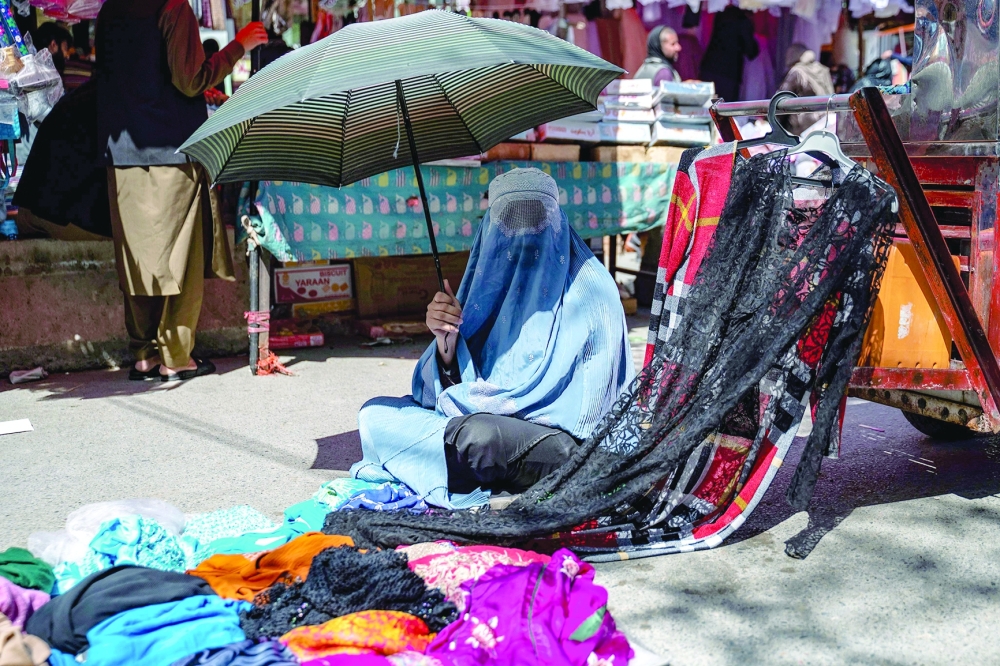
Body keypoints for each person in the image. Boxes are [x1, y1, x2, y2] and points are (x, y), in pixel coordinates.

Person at [352, 168, 635, 509]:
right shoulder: (491, 279)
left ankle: (453, 468)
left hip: (561, 443)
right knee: (376, 413)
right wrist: (446, 342)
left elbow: (596, 417)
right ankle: (458, 465)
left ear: (557, 221)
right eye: (510, 222)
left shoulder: (590, 290)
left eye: (535, 218)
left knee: (478, 438)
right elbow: (445, 388)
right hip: (481, 416)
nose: (523, 233)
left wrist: (495, 411)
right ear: (491, 226)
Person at [95, 0, 267, 381]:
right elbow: (190, 79)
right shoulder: (173, 7)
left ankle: (143, 354)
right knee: (180, 259)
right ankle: (175, 355)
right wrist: (239, 45)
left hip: (123, 156)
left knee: (138, 259)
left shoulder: (110, 10)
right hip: (169, 152)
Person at [698, 5, 759, 102]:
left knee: (706, 104)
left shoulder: (722, 13)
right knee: (725, 110)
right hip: (728, 73)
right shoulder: (743, 21)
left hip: (709, 67)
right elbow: (751, 51)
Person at [777, 44, 834, 135]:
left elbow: (781, 99)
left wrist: (769, 121)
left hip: (803, 125)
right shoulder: (823, 69)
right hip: (826, 120)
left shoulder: (797, 71)